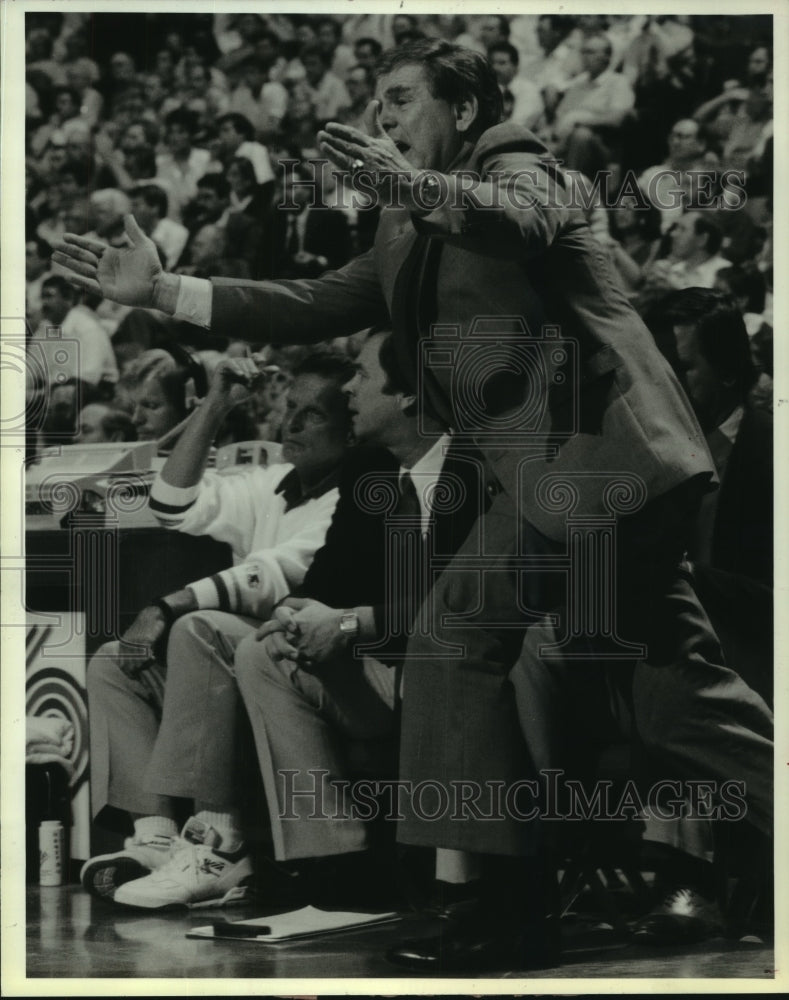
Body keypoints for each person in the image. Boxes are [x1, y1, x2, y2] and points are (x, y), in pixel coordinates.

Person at [53, 38, 773, 972]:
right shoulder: (402, 219)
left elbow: (511, 224)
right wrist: (163, 290)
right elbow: (315, 298)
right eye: (378, 104)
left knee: (451, 641)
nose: (384, 120)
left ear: (465, 111)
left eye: (401, 100)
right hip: (575, 480)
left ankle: (496, 907)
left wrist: (415, 187)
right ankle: (500, 898)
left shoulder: (526, 168)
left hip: (603, 461)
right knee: (677, 695)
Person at [79, 351, 355, 907]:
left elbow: (274, 575)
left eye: (313, 415)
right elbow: (172, 503)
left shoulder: (361, 488)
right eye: (289, 410)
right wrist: (216, 403)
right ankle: (155, 836)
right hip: (250, 650)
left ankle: (218, 844)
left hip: (320, 660)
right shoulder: (276, 479)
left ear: (351, 425)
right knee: (115, 662)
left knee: (196, 627)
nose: (290, 425)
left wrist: (167, 603)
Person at [29, 275, 118, 388]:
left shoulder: (87, 328)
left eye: (49, 296)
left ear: (68, 299)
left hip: (93, 392)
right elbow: (30, 372)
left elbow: (87, 378)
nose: (44, 303)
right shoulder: (44, 328)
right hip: (56, 391)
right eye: (42, 297)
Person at [128, 184, 189, 270]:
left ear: (154, 208)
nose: (131, 210)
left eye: (136, 205)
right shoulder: (135, 231)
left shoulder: (178, 232)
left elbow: (165, 267)